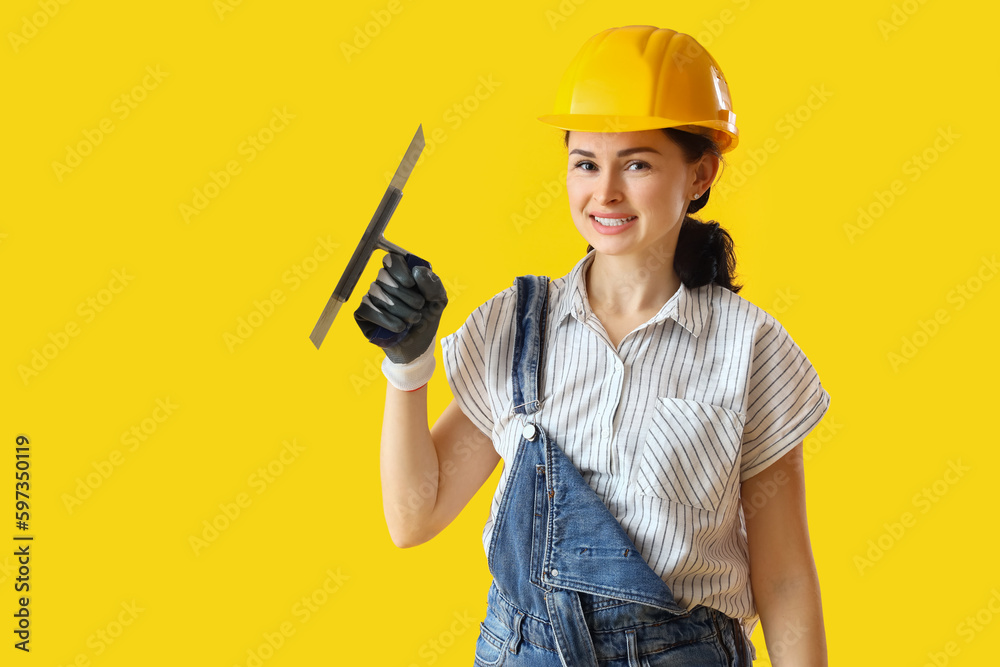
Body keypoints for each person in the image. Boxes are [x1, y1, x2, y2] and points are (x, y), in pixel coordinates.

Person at [356, 25, 830, 666]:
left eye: (636, 163)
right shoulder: (517, 327)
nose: (604, 192)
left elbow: (784, 579)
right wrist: (406, 365)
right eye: (585, 163)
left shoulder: (750, 350)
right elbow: (414, 518)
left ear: (700, 173)